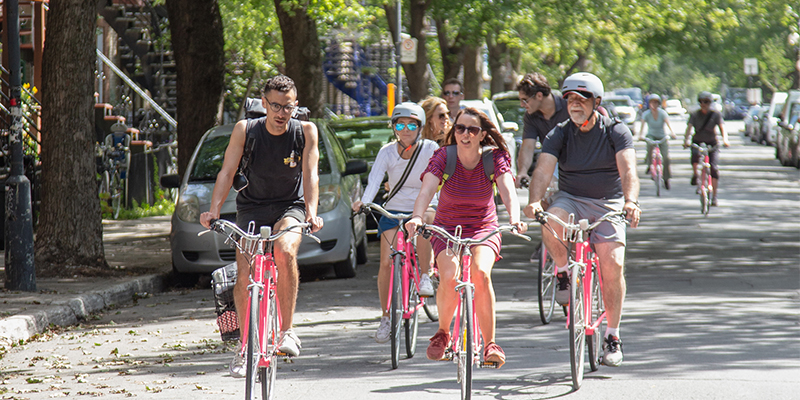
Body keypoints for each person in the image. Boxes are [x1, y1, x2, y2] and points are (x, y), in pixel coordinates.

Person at [200, 75, 324, 377]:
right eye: (276, 106)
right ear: (264, 104)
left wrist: (311, 212)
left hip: (289, 207)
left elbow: (310, 175)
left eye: (289, 107)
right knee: (244, 273)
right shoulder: (247, 130)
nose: (282, 113)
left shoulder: (305, 131)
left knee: (284, 251)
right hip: (252, 207)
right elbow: (227, 171)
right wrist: (213, 211)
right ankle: (245, 348)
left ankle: (287, 332)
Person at [522, 72, 640, 367]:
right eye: (570, 99)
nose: (574, 104)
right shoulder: (559, 133)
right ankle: (563, 270)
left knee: (613, 264)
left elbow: (628, 171)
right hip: (571, 198)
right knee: (550, 220)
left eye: (581, 99)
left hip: (608, 202)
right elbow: (543, 171)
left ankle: (612, 335)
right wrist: (534, 201)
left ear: (596, 102)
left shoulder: (616, 130)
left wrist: (630, 202)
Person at [404, 107, 527, 369]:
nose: (465, 134)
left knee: (481, 274)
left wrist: (515, 218)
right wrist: (417, 216)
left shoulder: (494, 158)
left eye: (472, 129)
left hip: (483, 227)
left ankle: (490, 343)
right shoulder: (444, 156)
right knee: (449, 275)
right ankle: (443, 332)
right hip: (447, 227)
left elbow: (507, 191)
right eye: (460, 128)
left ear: (482, 134)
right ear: (454, 132)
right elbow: (427, 190)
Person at [351, 102, 439, 343]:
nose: (406, 129)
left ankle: (423, 275)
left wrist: (438, 201)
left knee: (425, 222)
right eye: (401, 124)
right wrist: (364, 202)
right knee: (387, 264)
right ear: (394, 127)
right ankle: (386, 317)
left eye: (412, 124)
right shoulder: (386, 152)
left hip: (423, 207)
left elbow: (438, 178)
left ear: (420, 127)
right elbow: (374, 181)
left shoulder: (431, 148)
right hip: (392, 210)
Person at [515, 72, 570, 188]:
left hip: (575, 163)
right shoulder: (531, 116)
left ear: (539, 96)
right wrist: (523, 171)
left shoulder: (569, 107)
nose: (521, 105)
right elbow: (528, 147)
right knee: (539, 185)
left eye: (525, 100)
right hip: (550, 162)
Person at [684, 91, 730, 206]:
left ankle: (714, 196)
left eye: (706, 102)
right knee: (695, 159)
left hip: (712, 142)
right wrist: (686, 140)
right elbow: (689, 128)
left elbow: (722, 127)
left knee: (714, 168)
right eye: (701, 102)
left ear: (710, 103)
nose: (704, 104)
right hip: (698, 141)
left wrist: (725, 139)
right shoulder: (694, 115)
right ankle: (696, 175)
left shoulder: (716, 115)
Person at [637, 94, 676, 189]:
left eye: (655, 102)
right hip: (651, 135)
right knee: (649, 150)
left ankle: (666, 178)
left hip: (662, 136)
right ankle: (650, 165)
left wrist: (672, 133)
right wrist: (641, 135)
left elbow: (668, 124)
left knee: (666, 157)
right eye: (652, 102)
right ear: (649, 104)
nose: (654, 105)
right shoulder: (646, 114)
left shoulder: (662, 113)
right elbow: (642, 126)